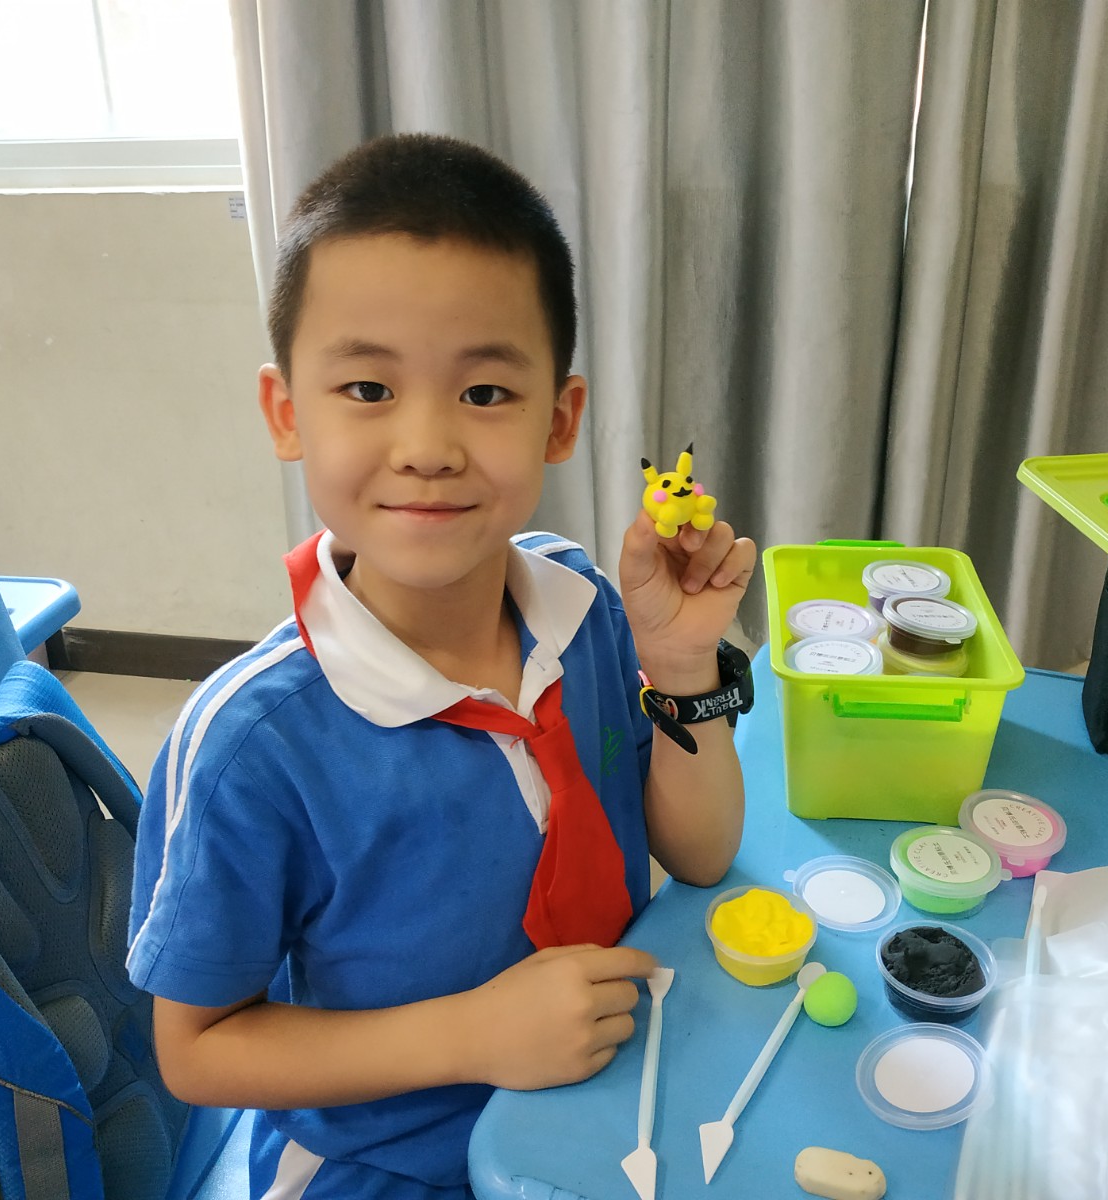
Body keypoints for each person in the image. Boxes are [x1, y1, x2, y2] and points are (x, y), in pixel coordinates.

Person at [127, 132, 754, 1200]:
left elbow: (700, 856)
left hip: (618, 1102)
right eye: (368, 387)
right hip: (391, 1164)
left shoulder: (586, 609)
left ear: (560, 419)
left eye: (486, 393)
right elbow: (196, 1052)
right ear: (287, 413)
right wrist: (472, 1035)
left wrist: (682, 662)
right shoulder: (251, 746)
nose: (427, 445)